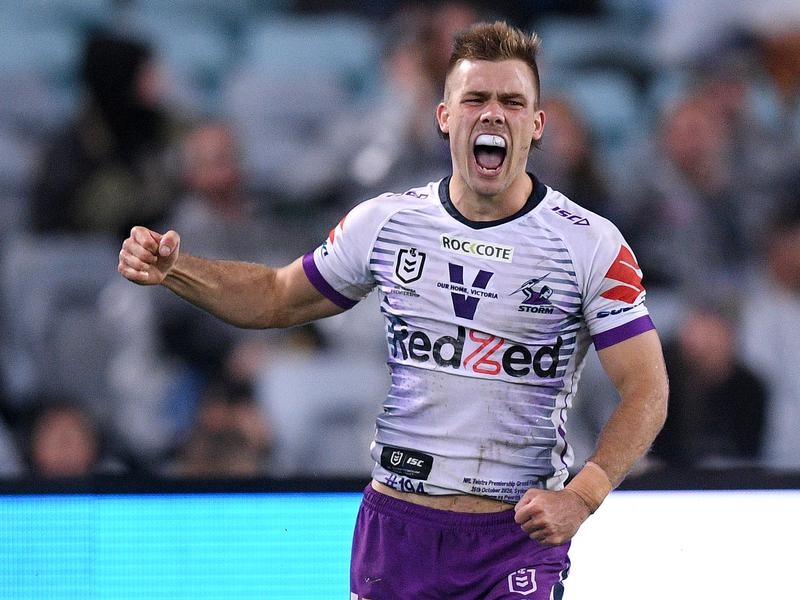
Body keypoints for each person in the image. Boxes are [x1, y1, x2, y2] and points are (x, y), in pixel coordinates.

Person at [118, 21, 668, 599]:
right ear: (444, 116)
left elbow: (647, 390)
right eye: (475, 99)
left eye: (512, 101)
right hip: (397, 533)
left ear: (536, 124)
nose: (492, 114)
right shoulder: (385, 223)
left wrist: (582, 496)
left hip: (515, 540)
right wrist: (176, 269)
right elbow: (277, 296)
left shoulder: (589, 244)